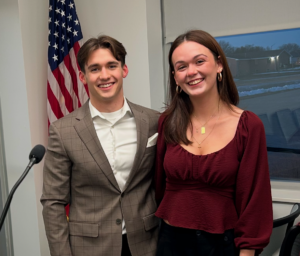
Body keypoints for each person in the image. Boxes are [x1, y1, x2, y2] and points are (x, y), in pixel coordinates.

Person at [154, 30, 273, 256]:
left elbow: (255, 200)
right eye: (181, 67)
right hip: (170, 242)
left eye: (199, 61)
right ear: (175, 76)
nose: (191, 72)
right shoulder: (167, 123)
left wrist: (247, 252)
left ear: (219, 65)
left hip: (223, 245)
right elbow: (158, 187)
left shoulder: (248, 126)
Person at [41, 35, 160, 256]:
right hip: (90, 248)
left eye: (111, 66)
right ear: (83, 77)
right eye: (94, 69)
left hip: (147, 243)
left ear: (124, 70)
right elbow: (53, 202)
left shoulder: (153, 121)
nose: (104, 75)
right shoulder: (63, 131)